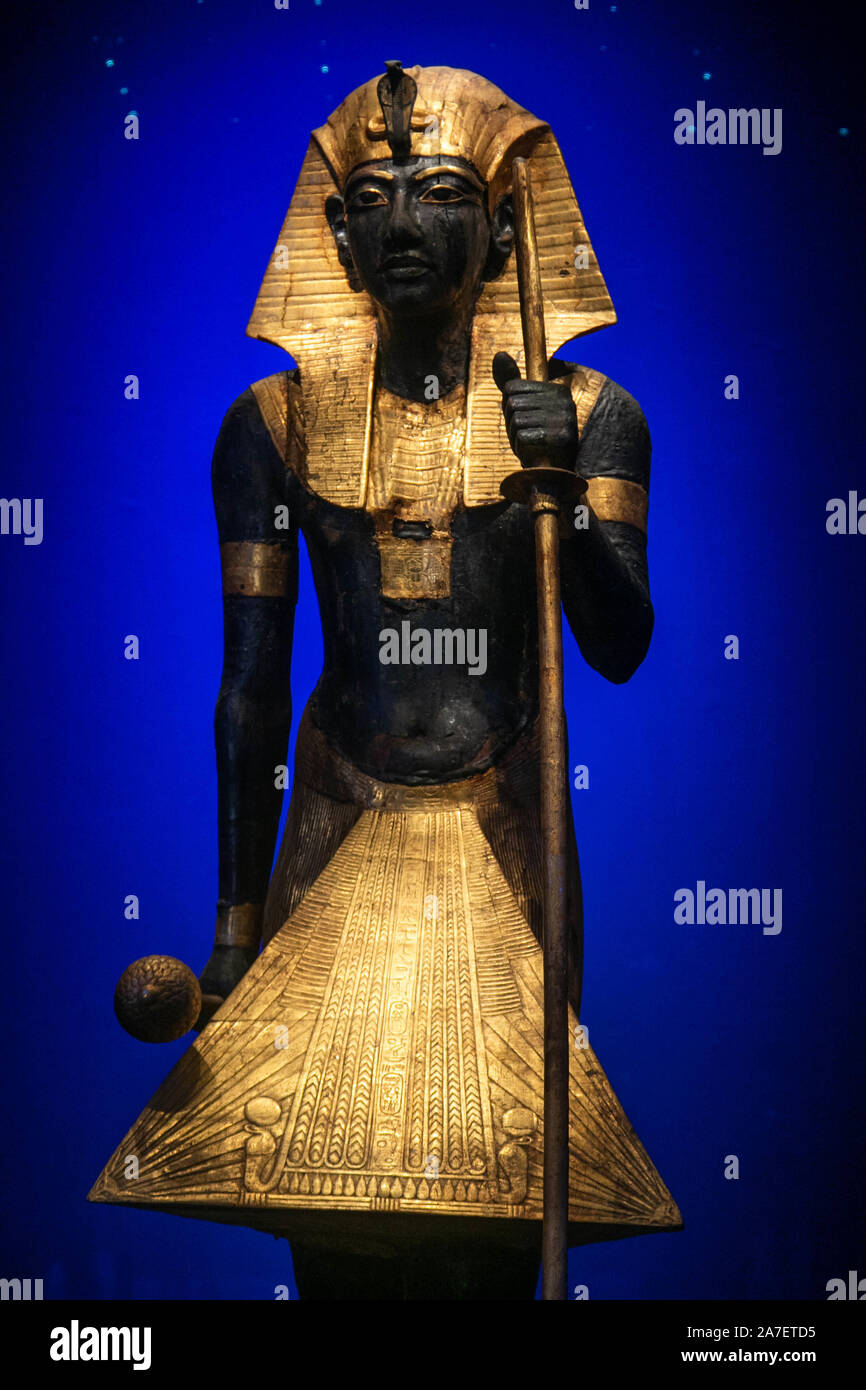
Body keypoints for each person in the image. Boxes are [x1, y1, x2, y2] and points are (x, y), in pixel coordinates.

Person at [91, 63, 680, 1301]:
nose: (407, 226)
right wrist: (233, 932)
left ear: (506, 224)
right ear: (336, 235)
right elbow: (248, 689)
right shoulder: (273, 423)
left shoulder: (591, 413)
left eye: (442, 195)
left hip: (507, 810)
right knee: (323, 1204)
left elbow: (617, 648)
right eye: (376, 199)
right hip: (336, 810)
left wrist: (558, 493)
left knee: (501, 1197)